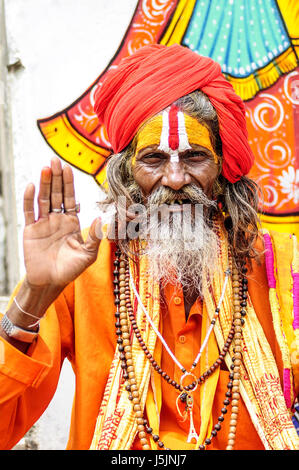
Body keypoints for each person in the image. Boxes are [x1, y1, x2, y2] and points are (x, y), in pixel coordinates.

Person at [0, 44, 298, 451]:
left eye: (194, 156)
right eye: (154, 159)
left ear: (225, 169)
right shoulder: (83, 270)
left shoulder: (282, 270)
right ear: (125, 172)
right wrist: (35, 295)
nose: (175, 179)